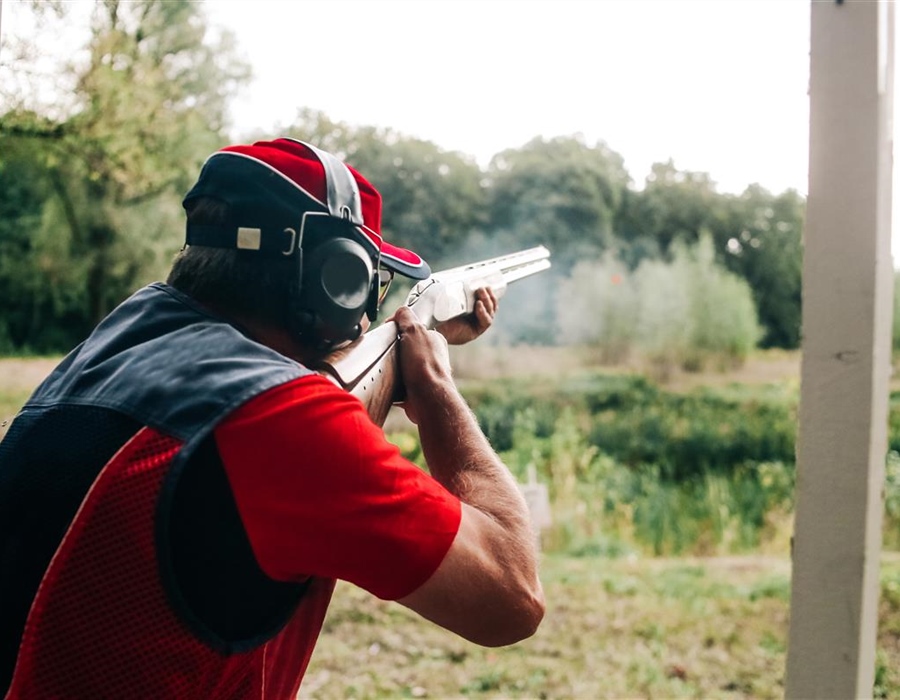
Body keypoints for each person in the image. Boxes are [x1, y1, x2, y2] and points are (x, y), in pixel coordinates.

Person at [0, 138, 544, 699]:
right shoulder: (278, 417)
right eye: (370, 285)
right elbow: (511, 596)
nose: (365, 316)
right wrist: (435, 388)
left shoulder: (104, 354)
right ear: (338, 281)